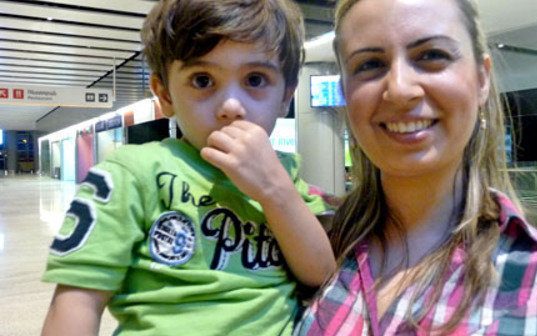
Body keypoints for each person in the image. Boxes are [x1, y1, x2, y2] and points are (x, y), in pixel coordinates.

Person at [295, 0, 537, 335]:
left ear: (482, 79)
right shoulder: (306, 243)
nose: (399, 89)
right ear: (346, 94)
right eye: (369, 64)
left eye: (431, 55)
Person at [41, 1, 336, 335]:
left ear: (286, 97)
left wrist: (275, 191)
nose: (231, 107)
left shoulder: (283, 174)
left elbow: (321, 273)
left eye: (255, 79)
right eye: (202, 80)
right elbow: (78, 301)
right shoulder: (131, 173)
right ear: (165, 94)